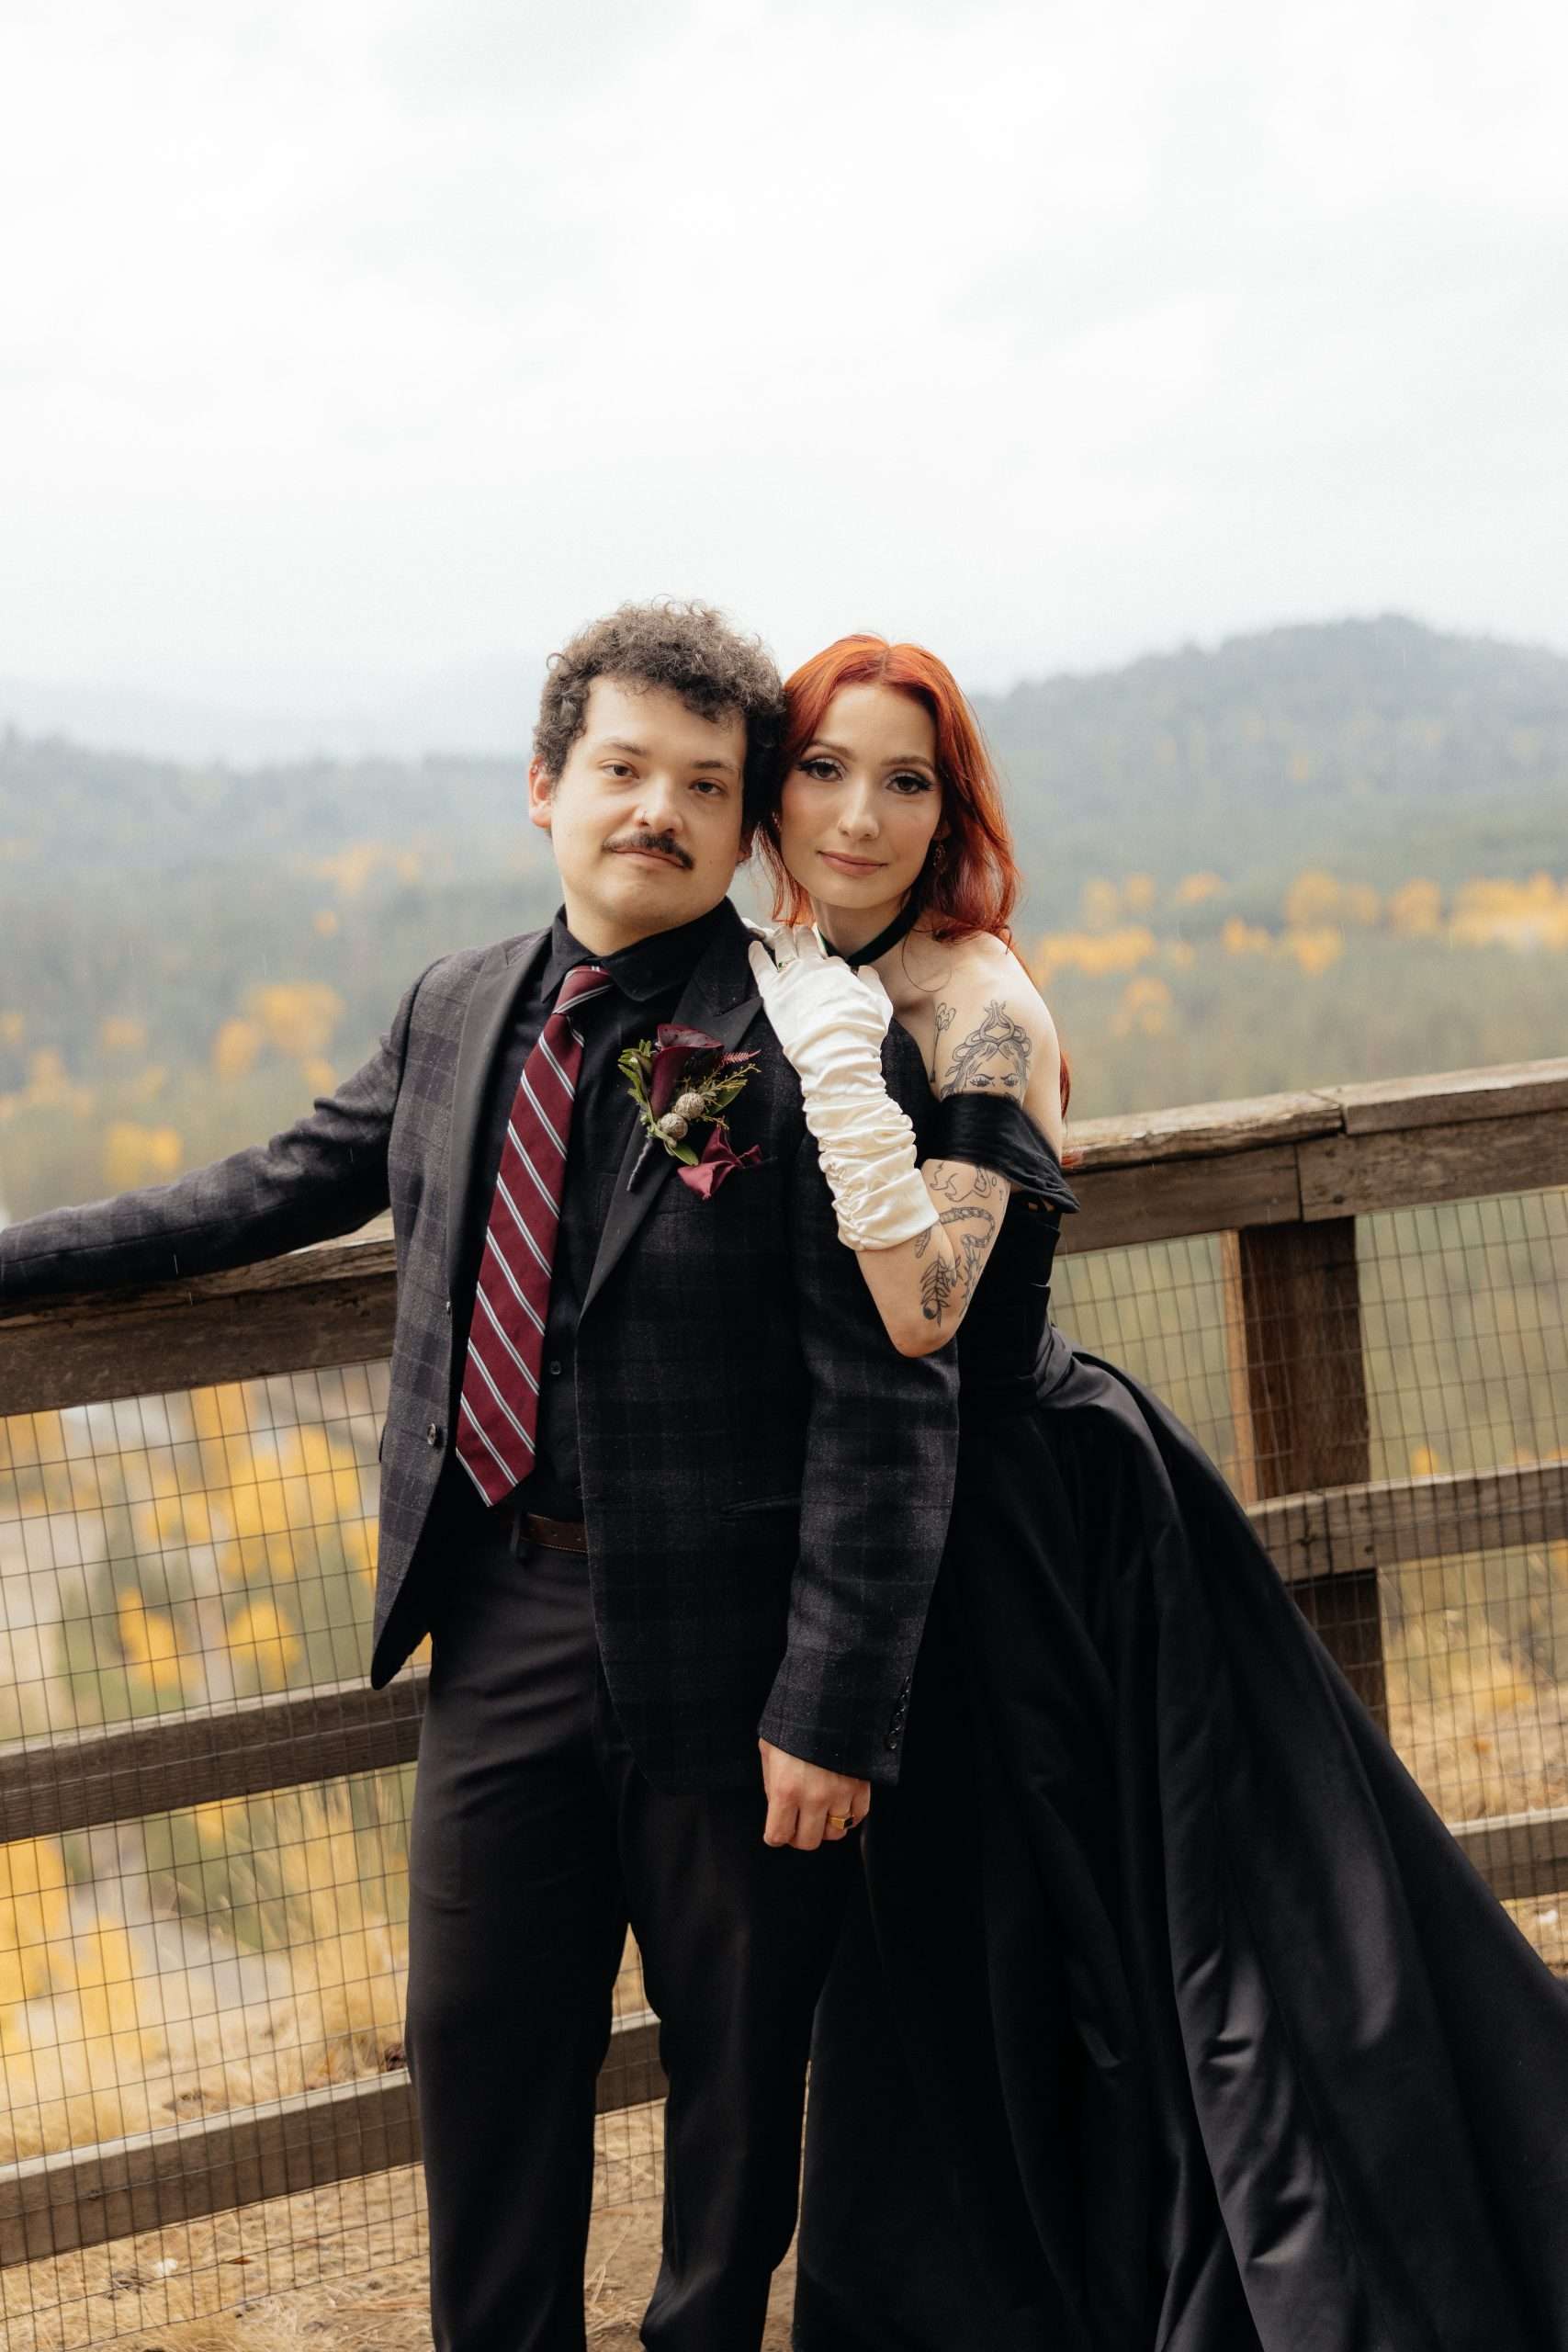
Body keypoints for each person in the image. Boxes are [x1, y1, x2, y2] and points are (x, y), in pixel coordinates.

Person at [0, 604, 960, 2352]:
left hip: (740, 1657)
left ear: (744, 824)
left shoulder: (814, 1049)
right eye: (623, 769)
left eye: (706, 785)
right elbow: (263, 1191)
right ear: (545, 786)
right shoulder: (458, 1008)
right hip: (501, 1612)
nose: (658, 810)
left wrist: (832, 1706)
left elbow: (885, 1410)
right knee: (481, 2051)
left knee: (738, 2078)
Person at [746, 635, 1568, 2352]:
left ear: (951, 813)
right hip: (883, 1520)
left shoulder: (980, 1010)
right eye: (824, 768)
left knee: (1101, 1931)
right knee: (935, 1942)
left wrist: (830, 1069)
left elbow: (932, 1309)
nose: (859, 814)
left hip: (1027, 1521)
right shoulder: (796, 968)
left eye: (906, 781)